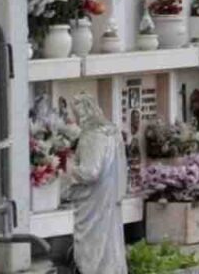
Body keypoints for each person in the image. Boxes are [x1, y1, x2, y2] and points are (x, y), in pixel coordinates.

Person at [68, 94, 127, 274]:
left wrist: (69, 168)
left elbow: (90, 172)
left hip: (94, 200)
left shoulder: (91, 136)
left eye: (75, 113)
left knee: (95, 244)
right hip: (109, 195)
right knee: (110, 241)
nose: (74, 118)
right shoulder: (112, 132)